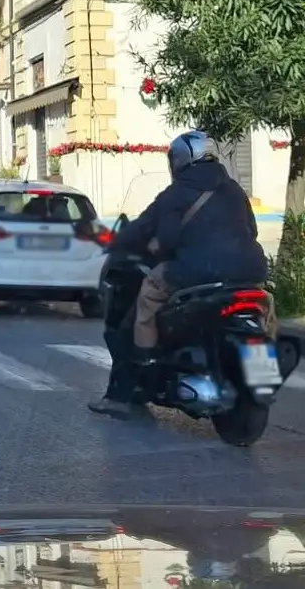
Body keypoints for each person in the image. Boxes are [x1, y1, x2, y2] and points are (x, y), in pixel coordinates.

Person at [88, 130, 268, 418]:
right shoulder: (234, 189)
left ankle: (134, 377)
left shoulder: (177, 193)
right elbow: (252, 230)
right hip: (250, 271)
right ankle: (261, 372)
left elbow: (155, 235)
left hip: (196, 272)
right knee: (264, 310)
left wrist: (122, 245)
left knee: (146, 301)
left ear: (180, 159)